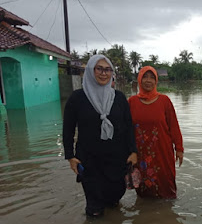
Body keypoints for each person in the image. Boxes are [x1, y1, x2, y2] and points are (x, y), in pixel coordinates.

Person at [63, 54, 137, 217]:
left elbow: (128, 126)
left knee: (114, 198)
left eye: (107, 69)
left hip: (117, 159)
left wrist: (133, 151)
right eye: (99, 69)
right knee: (95, 209)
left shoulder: (118, 97)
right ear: (90, 71)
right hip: (89, 161)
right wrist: (70, 156)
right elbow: (68, 129)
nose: (104, 73)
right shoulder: (77, 98)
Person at [128, 66, 184, 199]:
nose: (148, 81)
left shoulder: (165, 101)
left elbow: (174, 127)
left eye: (152, 77)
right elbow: (126, 130)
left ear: (156, 81)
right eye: (145, 77)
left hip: (163, 152)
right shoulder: (131, 102)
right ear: (139, 79)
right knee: (143, 191)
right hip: (140, 154)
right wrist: (129, 152)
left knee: (167, 189)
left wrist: (179, 149)